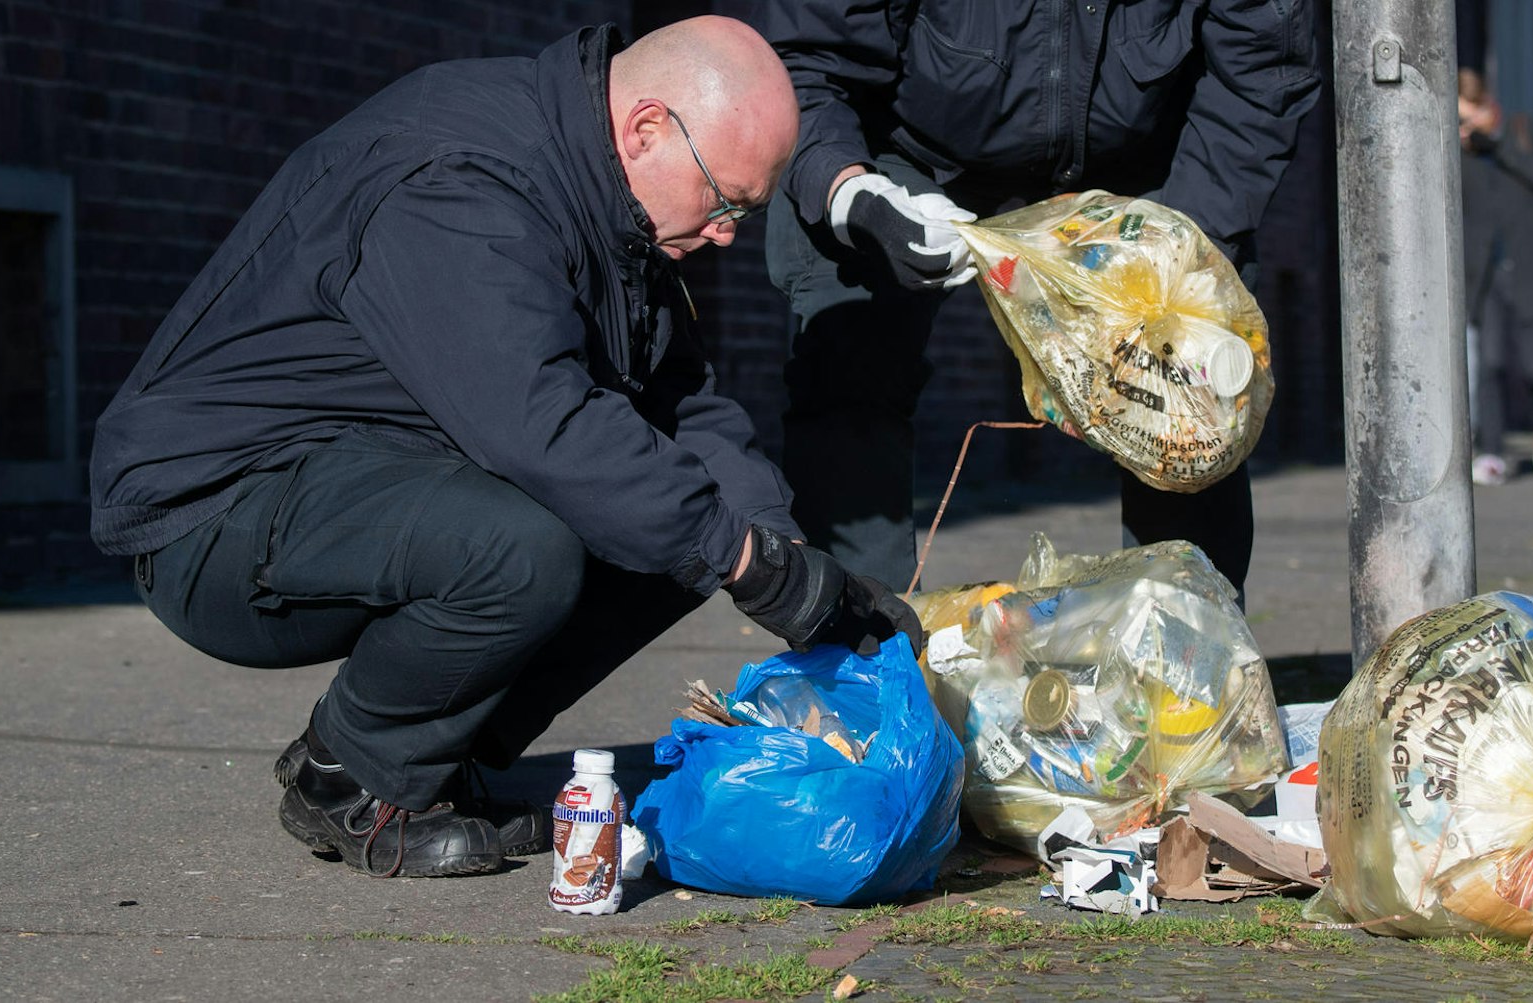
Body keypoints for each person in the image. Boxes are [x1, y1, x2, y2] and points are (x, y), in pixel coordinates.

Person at [88, 18, 922, 879]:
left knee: (672, 531)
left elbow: (683, 412)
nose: (728, 234)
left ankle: (437, 760)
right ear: (645, 129)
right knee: (532, 544)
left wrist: (801, 575)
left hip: (364, 471)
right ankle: (348, 776)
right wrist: (750, 563)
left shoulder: (609, 203)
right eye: (727, 201)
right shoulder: (460, 185)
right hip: (216, 512)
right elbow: (547, 428)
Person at [751, 2, 1320, 597]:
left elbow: (1262, 66)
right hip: (910, 145)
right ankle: (860, 655)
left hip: (1147, 153)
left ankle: (1187, 642)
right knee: (848, 351)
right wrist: (852, 194)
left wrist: (1177, 256)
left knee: (1193, 385)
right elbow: (810, 60)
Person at [1457, 85, 1533, 484]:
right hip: (1485, 276)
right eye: (1460, 121)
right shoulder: (1461, 156)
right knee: (1491, 364)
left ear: (1491, 110)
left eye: (1471, 118)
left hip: (1528, 271)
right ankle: (1491, 450)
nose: (1467, 128)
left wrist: (1497, 145)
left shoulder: (1520, 134)